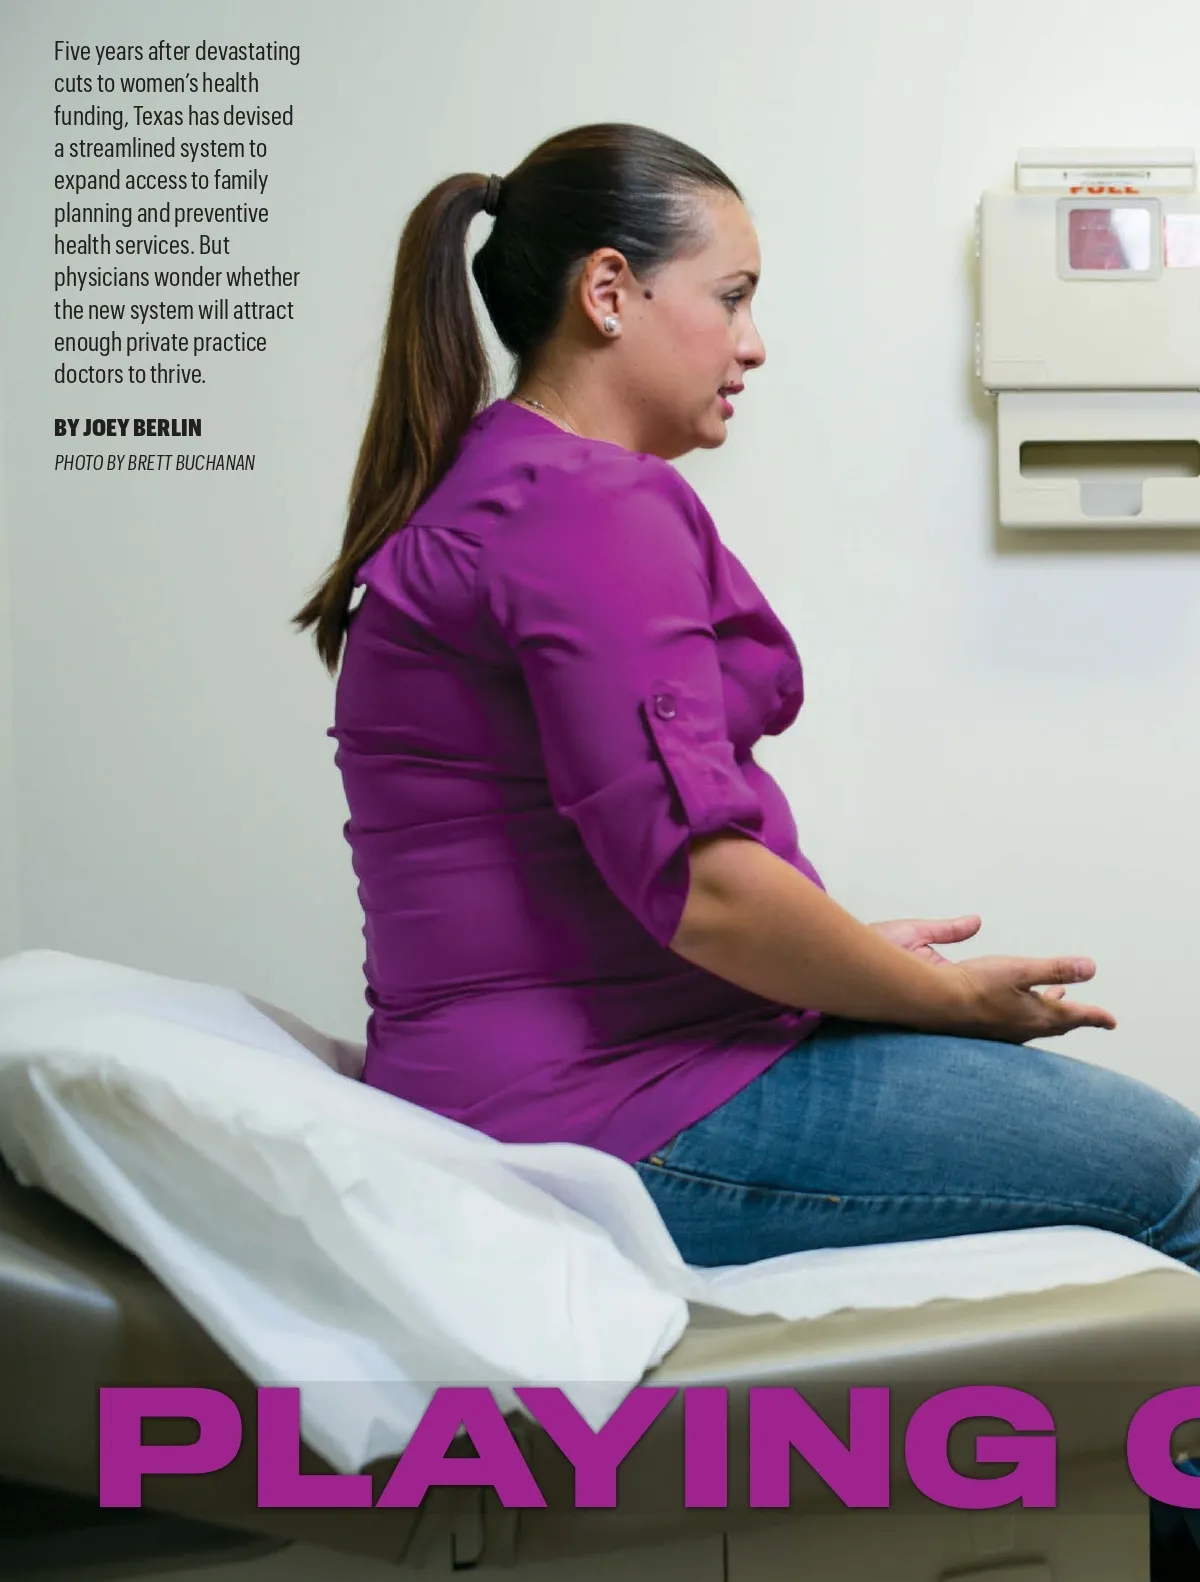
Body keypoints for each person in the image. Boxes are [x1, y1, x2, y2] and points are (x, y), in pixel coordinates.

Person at [295, 116, 1200, 1575]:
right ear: (610, 292)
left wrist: (838, 963)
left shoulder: (495, 479)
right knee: (1180, 1177)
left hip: (561, 1077)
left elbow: (615, 868)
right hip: (611, 1112)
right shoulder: (587, 506)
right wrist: (940, 1001)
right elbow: (702, 889)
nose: (753, 343)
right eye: (730, 296)